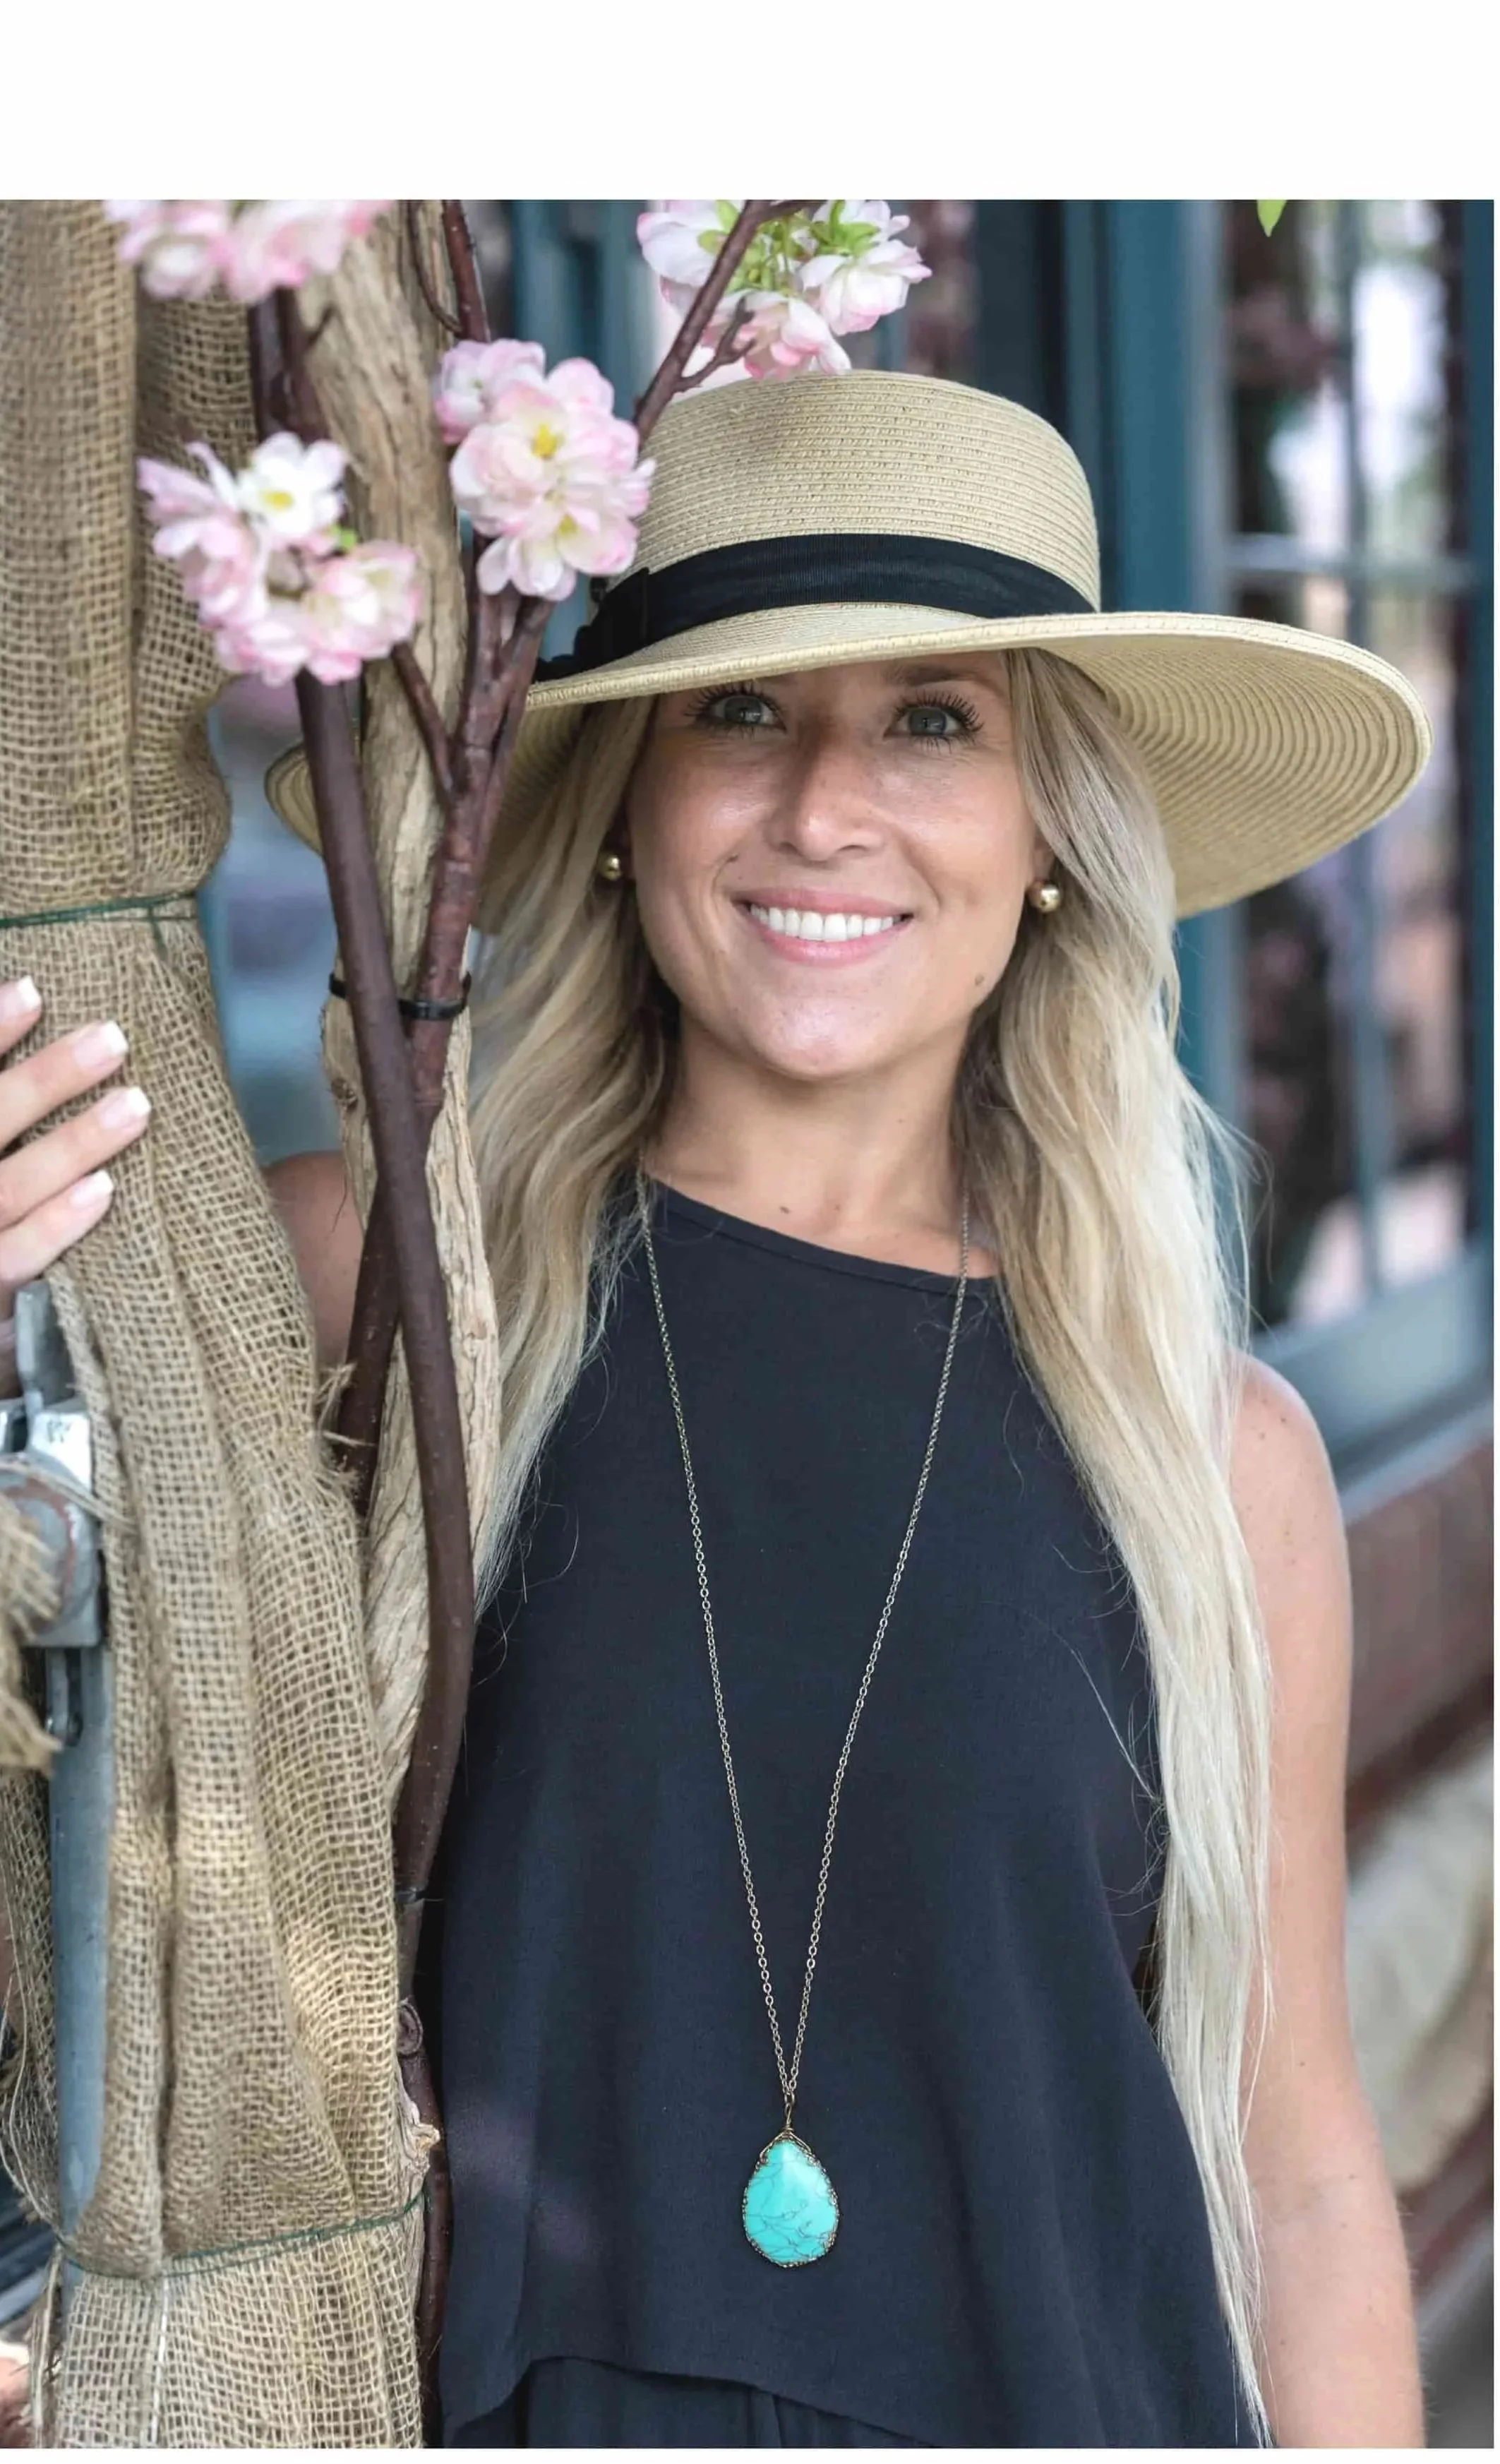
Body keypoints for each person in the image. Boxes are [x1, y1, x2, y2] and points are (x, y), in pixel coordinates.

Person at [0, 371, 1430, 2448]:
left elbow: (1294, 2168)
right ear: (626, 805)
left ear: (1049, 838)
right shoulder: (369, 1289)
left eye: (934, 719)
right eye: (739, 714)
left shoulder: (1213, 1462)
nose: (825, 810)